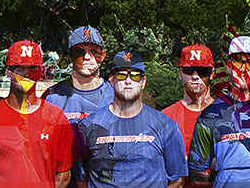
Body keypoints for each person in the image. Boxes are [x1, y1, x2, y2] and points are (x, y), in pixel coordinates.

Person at [0, 39, 73, 188]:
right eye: (19, 68)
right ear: (8, 72)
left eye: (32, 69)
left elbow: (63, 174)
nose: (26, 75)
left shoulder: (56, 117)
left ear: (40, 72)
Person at [76, 50, 186, 188]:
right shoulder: (88, 126)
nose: (128, 81)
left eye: (135, 75)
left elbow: (177, 181)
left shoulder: (166, 126)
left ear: (143, 81)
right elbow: (81, 176)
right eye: (121, 75)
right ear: (111, 80)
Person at [188, 35, 250, 186]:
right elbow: (197, 173)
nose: (242, 70)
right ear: (228, 66)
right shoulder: (209, 114)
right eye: (236, 62)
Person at [44, 26, 112, 186]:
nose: (87, 57)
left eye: (93, 51)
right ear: (69, 56)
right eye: (79, 52)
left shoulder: (116, 97)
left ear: (102, 56)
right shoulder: (52, 96)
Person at [159, 44, 214, 161]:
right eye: (189, 71)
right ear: (180, 73)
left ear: (212, 73)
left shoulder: (225, 114)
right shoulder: (165, 117)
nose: (195, 76)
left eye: (202, 71)